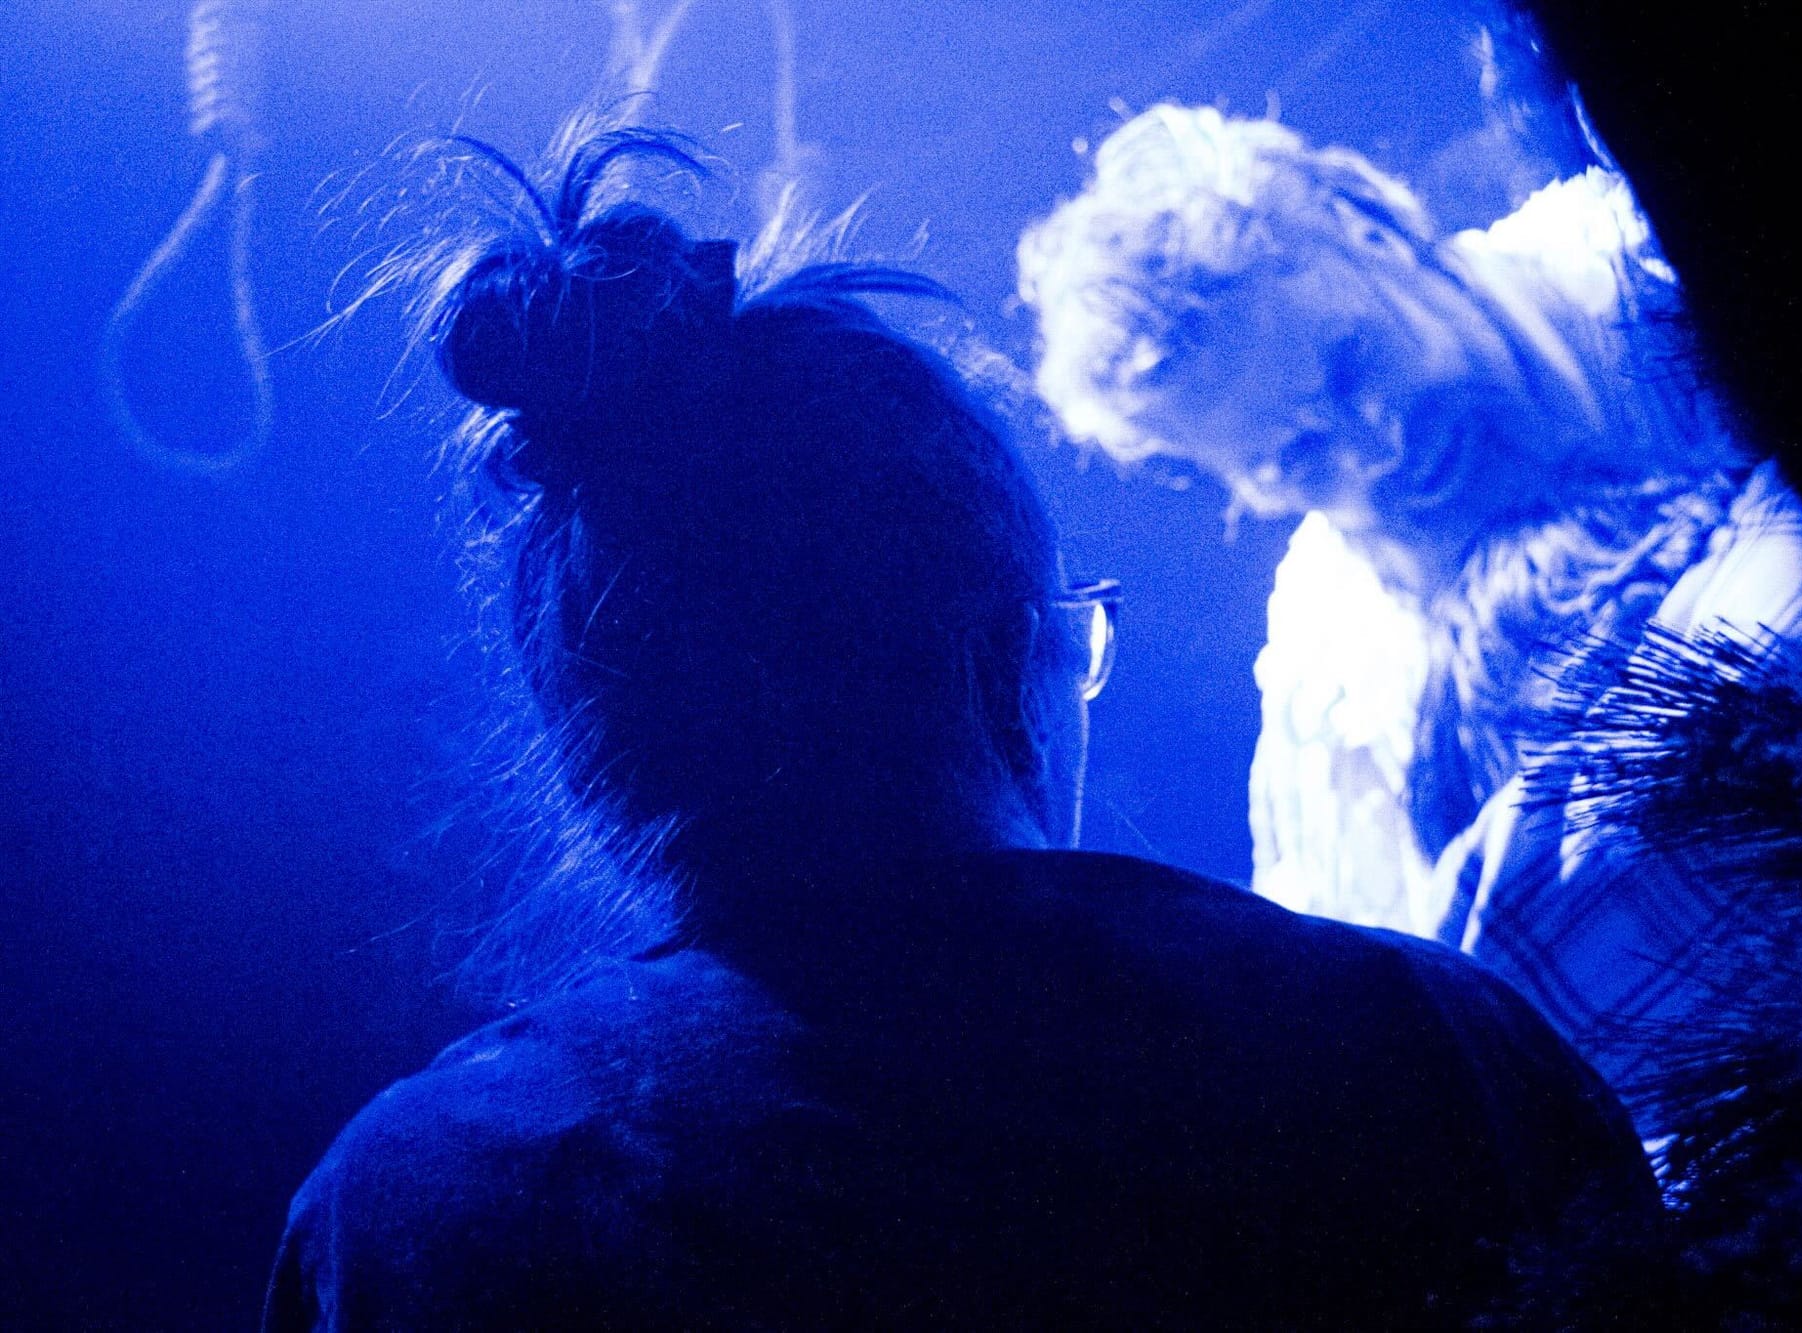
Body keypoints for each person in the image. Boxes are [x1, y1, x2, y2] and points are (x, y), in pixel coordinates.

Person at [261, 128, 1659, 1329]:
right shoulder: (1424, 1054)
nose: (1358, 451)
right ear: (1012, 663)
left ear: (594, 765)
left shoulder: (405, 1220)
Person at [1016, 104, 1802, 1114]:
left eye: (1353, 365)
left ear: (1367, 230)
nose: (1375, 451)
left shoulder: (1654, 272)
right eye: (1297, 458)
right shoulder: (1334, 672)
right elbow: (1383, 1045)